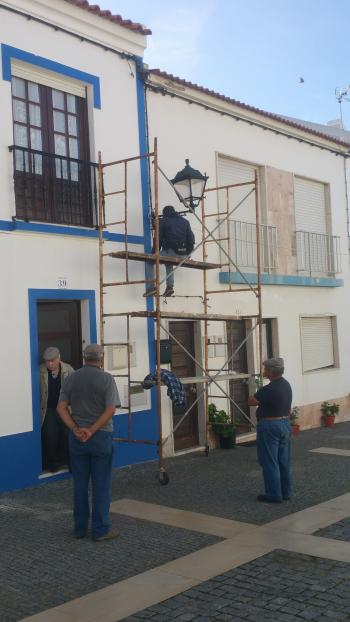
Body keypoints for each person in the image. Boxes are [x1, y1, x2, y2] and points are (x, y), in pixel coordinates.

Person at [57, 344, 121, 542]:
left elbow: (60, 408)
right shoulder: (106, 379)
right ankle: (100, 530)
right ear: (101, 359)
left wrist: (76, 429)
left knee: (80, 484)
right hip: (100, 436)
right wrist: (91, 430)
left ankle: (79, 529)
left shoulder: (71, 378)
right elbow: (111, 409)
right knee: (101, 485)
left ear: (84, 358)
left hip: (77, 439)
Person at [248, 357, 292, 504]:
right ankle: (286, 492)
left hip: (269, 426)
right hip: (285, 423)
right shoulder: (286, 385)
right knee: (283, 461)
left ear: (272, 372)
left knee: (269, 461)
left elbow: (252, 401)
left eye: (266, 369)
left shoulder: (269, 388)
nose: (264, 371)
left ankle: (273, 494)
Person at [144, 205, 195, 297]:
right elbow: (191, 239)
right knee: (168, 262)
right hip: (184, 254)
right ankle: (169, 287)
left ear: (165, 213)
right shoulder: (185, 222)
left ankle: (151, 288)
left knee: (149, 261)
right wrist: (188, 254)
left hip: (171, 252)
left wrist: (154, 253)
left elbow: (158, 239)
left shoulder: (163, 221)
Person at [40, 346, 74, 473]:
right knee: (50, 436)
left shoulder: (68, 369)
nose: (49, 363)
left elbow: (75, 389)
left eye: (52, 360)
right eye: (47, 361)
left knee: (68, 435)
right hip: (48, 409)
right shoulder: (40, 371)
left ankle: (70, 462)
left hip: (65, 409)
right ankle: (53, 464)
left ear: (59, 358)